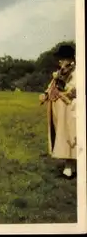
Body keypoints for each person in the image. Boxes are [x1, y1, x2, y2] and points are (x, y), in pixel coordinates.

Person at [39, 45, 77, 179]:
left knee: (70, 135)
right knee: (62, 134)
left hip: (70, 109)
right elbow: (52, 85)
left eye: (62, 59)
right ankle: (70, 165)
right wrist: (45, 94)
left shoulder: (76, 72)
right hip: (59, 110)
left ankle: (70, 166)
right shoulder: (61, 72)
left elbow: (73, 90)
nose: (59, 62)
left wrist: (62, 84)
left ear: (69, 59)